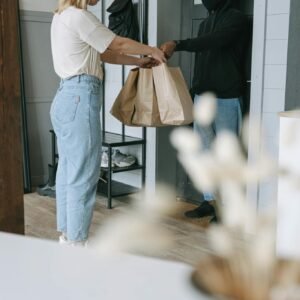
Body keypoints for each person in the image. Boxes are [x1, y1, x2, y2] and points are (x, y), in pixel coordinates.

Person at [50, 0, 165, 246]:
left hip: (65, 97)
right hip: (80, 97)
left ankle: (67, 236)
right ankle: (77, 243)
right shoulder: (80, 17)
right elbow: (117, 42)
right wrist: (151, 49)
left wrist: (137, 61)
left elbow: (105, 53)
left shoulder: (61, 16)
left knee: (68, 170)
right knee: (84, 174)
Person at [160, 0, 249, 221]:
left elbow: (214, 42)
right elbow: (202, 56)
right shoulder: (205, 23)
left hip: (227, 97)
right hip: (202, 97)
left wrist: (177, 44)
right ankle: (210, 200)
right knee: (204, 153)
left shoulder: (236, 18)